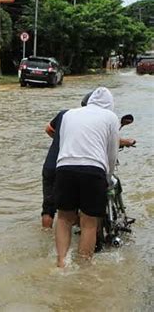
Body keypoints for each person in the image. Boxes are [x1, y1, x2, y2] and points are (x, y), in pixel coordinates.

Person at [42, 92, 135, 229]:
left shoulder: (67, 115)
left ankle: (47, 241)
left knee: (49, 209)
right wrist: (126, 142)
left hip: (53, 166)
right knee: (86, 210)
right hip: (79, 167)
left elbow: (48, 129)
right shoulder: (100, 118)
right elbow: (110, 141)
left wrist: (64, 140)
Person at [54, 87, 120, 267]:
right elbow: (112, 153)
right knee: (89, 223)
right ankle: (83, 267)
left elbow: (63, 141)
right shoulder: (110, 118)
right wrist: (107, 177)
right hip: (93, 170)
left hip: (64, 167)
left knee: (64, 218)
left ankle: (61, 264)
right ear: (110, 105)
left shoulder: (69, 114)